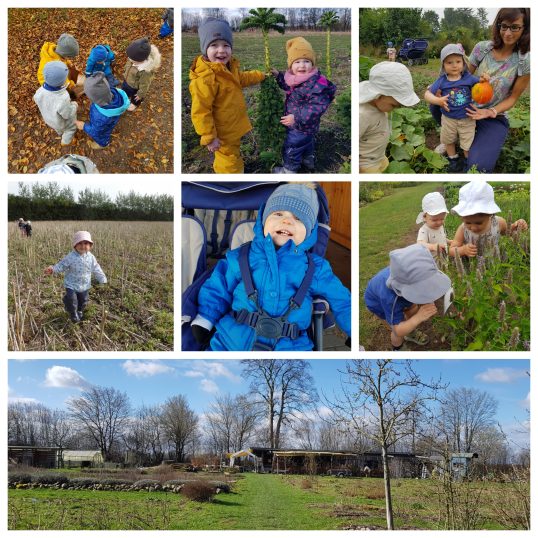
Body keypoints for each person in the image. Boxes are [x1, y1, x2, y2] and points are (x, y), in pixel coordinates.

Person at [190, 183, 351, 350]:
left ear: (310, 232)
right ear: (263, 221)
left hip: (290, 345)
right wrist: (205, 318)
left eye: (298, 218)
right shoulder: (242, 256)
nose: (287, 221)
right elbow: (218, 286)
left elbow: (343, 301)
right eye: (278, 214)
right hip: (232, 340)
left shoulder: (315, 268)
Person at [431, 8, 530, 173]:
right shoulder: (482, 48)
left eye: (515, 27)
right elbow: (461, 77)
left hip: (492, 117)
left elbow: (513, 98)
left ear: (525, 29)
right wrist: (439, 91)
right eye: (503, 26)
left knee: (479, 167)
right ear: (497, 25)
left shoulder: (524, 61)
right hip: (465, 108)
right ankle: (451, 139)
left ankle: (470, 139)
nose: (507, 33)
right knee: (436, 103)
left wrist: (490, 111)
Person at [189, 18, 265, 174]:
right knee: (228, 160)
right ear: (205, 49)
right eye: (214, 45)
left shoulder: (229, 68)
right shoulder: (205, 79)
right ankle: (232, 179)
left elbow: (242, 78)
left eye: (226, 45)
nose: (221, 50)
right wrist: (210, 137)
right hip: (222, 133)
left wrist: (260, 75)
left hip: (232, 127)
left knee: (232, 153)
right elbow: (201, 111)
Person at [364, 243, 452, 350]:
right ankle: (398, 348)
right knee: (398, 332)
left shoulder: (409, 270)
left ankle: (410, 332)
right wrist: (418, 317)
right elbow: (398, 329)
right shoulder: (391, 299)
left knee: (412, 308)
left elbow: (421, 247)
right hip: (377, 303)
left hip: (401, 293)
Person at [270, 37, 336, 174]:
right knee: (307, 142)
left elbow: (317, 107)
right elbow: (287, 85)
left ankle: (289, 170)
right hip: (307, 126)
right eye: (297, 62)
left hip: (300, 125)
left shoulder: (317, 84)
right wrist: (278, 76)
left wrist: (297, 118)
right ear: (291, 65)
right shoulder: (295, 78)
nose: (302, 66)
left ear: (312, 64)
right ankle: (308, 159)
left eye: (306, 61)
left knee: (292, 147)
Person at [424, 44, 486, 173]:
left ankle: (467, 162)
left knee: (467, 143)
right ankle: (453, 159)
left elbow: (481, 83)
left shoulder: (468, 78)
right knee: (448, 140)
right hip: (448, 119)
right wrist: (438, 101)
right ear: (443, 65)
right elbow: (427, 94)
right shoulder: (442, 81)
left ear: (463, 63)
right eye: (449, 62)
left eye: (458, 61)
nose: (454, 65)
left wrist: (485, 79)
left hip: (467, 119)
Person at [359, 62, 420, 173]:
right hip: (366, 164)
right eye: (393, 105)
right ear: (378, 95)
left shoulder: (380, 106)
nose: (394, 109)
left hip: (378, 156)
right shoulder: (362, 115)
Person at [450, 181, 528, 258]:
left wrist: (517, 226)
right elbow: (451, 250)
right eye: (468, 223)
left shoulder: (498, 223)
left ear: (490, 214)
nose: (473, 227)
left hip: (495, 264)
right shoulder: (462, 229)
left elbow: (509, 232)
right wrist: (463, 250)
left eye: (478, 223)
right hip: (472, 266)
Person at [44, 231, 107, 323]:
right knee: (72, 300)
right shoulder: (70, 257)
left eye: (86, 243)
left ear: (90, 245)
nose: (83, 246)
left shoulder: (91, 257)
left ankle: (80, 311)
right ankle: (73, 313)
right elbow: (62, 265)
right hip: (71, 284)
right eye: (80, 243)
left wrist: (102, 278)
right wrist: (53, 269)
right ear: (75, 245)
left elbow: (96, 268)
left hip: (84, 285)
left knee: (83, 300)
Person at [75, 72, 130, 149]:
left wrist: (84, 126)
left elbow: (95, 131)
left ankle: (103, 144)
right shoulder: (113, 92)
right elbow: (98, 86)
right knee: (107, 125)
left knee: (103, 134)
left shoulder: (100, 117)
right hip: (112, 115)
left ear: (95, 100)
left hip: (103, 124)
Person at [33, 61, 78, 146]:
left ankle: (60, 132)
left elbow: (36, 98)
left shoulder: (40, 91)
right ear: (62, 81)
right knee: (70, 128)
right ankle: (66, 141)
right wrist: (74, 105)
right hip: (61, 122)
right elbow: (67, 114)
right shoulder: (63, 97)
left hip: (49, 119)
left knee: (59, 128)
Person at [122, 37, 161, 111]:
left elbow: (145, 84)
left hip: (135, 87)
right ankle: (125, 97)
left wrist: (140, 94)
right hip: (127, 80)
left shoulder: (145, 71)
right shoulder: (133, 59)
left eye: (132, 60)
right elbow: (128, 65)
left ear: (141, 60)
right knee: (125, 90)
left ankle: (134, 103)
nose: (130, 60)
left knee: (136, 97)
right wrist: (125, 70)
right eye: (129, 58)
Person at [416, 192, 450, 256]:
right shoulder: (424, 230)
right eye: (434, 220)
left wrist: (449, 241)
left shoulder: (440, 226)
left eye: (442, 219)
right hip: (433, 262)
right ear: (424, 217)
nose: (439, 222)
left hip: (444, 258)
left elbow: (441, 238)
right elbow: (420, 243)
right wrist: (432, 246)